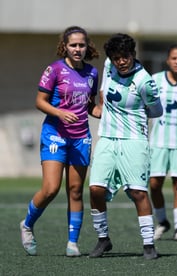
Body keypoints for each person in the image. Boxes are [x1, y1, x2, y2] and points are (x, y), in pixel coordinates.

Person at [19, 26, 100, 257]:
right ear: (65, 46)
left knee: (75, 190)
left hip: (80, 137)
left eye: (81, 45)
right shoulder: (54, 69)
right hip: (55, 134)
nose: (77, 49)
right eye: (73, 45)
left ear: (87, 46)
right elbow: (40, 101)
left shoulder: (92, 73)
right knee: (51, 188)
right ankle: (26, 225)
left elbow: (89, 104)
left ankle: (72, 243)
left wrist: (103, 111)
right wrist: (59, 113)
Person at [88, 33, 163, 259]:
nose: (121, 61)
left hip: (134, 141)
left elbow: (156, 111)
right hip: (108, 138)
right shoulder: (109, 65)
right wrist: (104, 108)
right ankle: (103, 239)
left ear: (133, 55)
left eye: (125, 56)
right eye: (117, 57)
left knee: (137, 192)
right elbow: (103, 91)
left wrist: (132, 116)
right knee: (95, 189)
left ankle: (149, 244)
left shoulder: (145, 81)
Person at [149, 44, 177, 242]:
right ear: (167, 60)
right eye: (174, 58)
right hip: (158, 141)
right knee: (154, 184)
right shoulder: (155, 81)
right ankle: (162, 222)